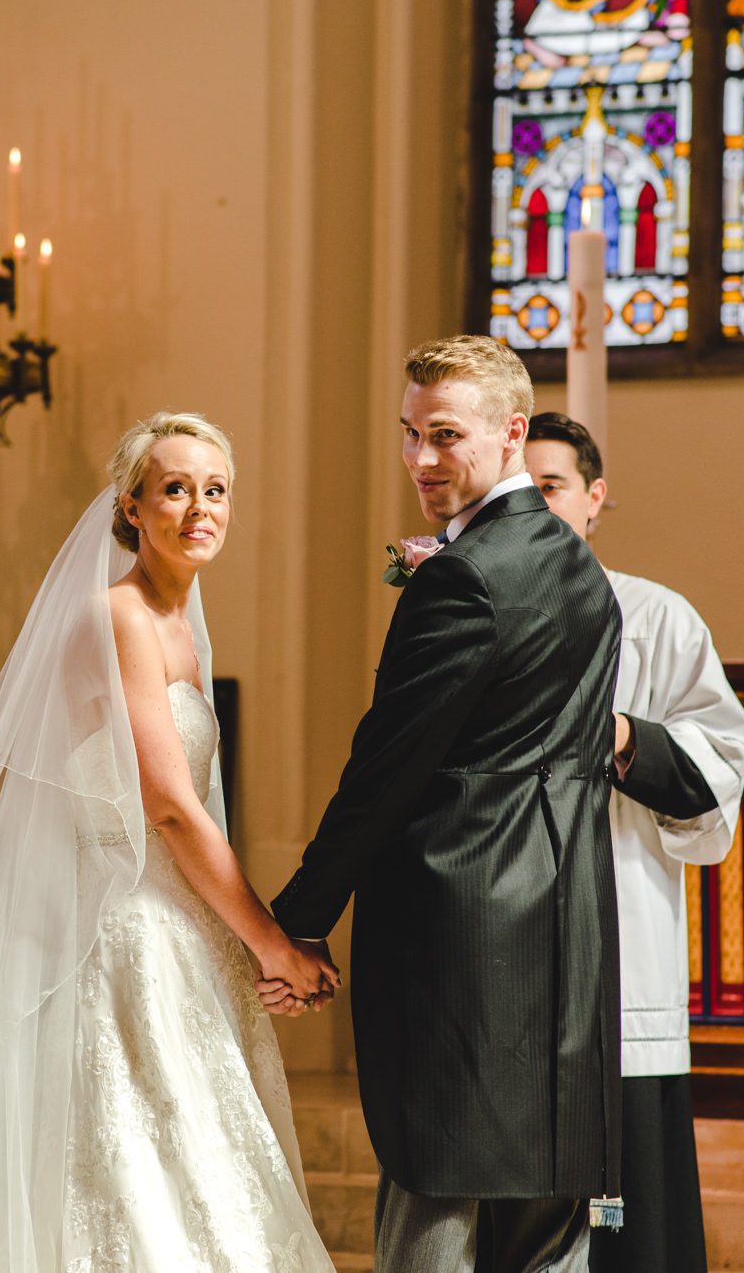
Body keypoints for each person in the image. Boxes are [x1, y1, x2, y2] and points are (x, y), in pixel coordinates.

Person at [0, 412, 340, 1273]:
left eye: (216, 490)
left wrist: (243, 948)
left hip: (185, 931)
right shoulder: (121, 617)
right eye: (175, 488)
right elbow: (170, 808)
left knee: (204, 1167)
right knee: (144, 1173)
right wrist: (272, 943)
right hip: (128, 933)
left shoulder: (180, 625)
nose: (199, 507)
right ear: (133, 506)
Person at [263, 336, 624, 1273]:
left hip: (462, 932)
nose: (423, 460)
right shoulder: (579, 567)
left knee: (435, 1189)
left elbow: (386, 769)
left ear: (512, 433)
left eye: (446, 435)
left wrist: (298, 920)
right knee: (548, 1218)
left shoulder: (462, 577)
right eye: (410, 433)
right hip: (568, 928)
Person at [524, 413, 744, 1273]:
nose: (537, 504)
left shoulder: (653, 616)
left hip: (616, 937)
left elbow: (721, 752)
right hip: (502, 954)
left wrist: (621, 735)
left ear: (593, 497)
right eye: (522, 487)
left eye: (552, 485)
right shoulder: (463, 611)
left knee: (629, 1221)